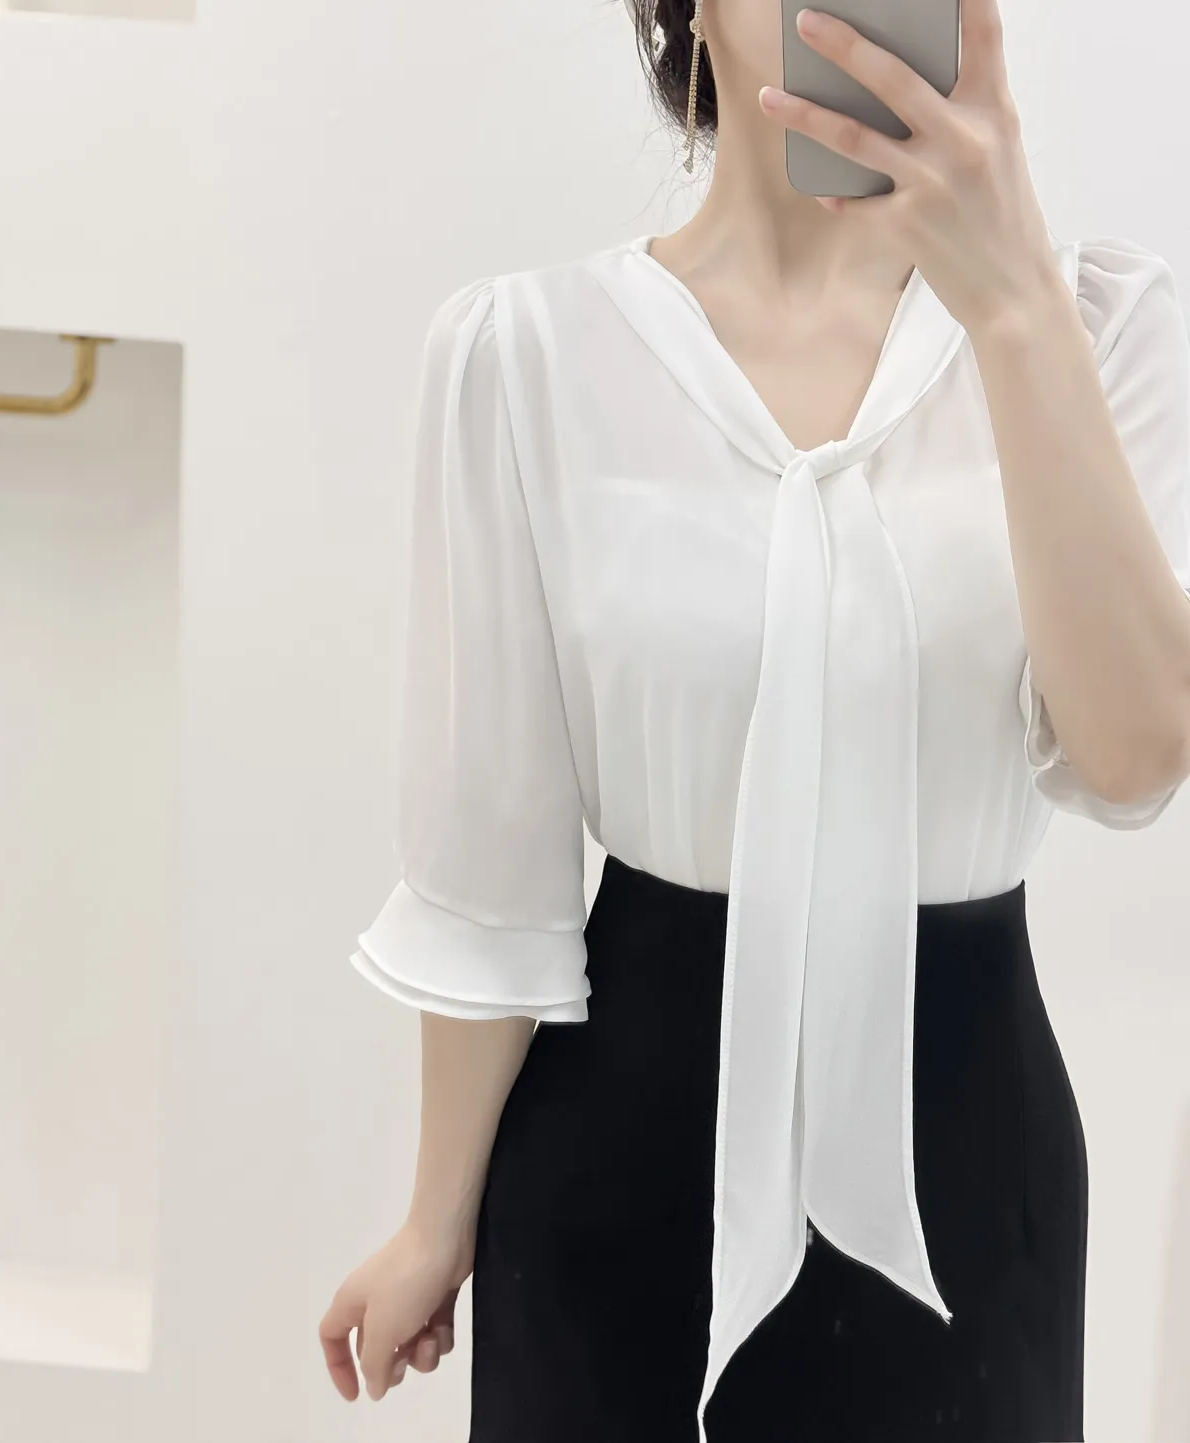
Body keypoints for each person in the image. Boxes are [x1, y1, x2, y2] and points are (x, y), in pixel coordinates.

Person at [318, 1, 1190, 1439]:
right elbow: (494, 862)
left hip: (972, 1172)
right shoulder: (527, 353)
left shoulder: (1092, 327)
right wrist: (435, 1217)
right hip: (614, 1166)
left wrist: (1013, 306)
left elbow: (1135, 754)